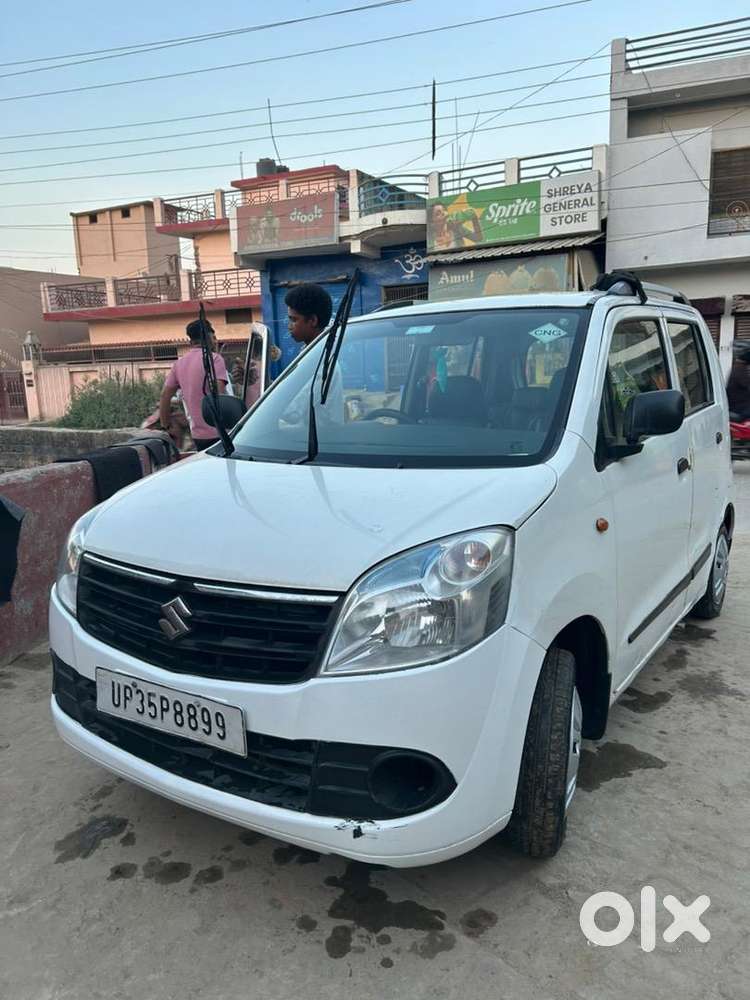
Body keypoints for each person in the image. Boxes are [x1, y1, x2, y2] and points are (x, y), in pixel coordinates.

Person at [159, 318, 228, 451]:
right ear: (209, 337)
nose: (215, 341)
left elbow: (164, 396)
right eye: (213, 337)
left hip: (197, 436)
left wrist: (165, 425)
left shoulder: (179, 364)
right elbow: (219, 396)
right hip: (220, 433)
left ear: (191, 341)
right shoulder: (215, 359)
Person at [284, 283, 333, 347]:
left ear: (313, 320)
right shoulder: (309, 351)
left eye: (294, 320)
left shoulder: (328, 352)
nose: (289, 327)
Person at [727, 347, 750, 420]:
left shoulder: (738, 367)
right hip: (739, 408)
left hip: (738, 406)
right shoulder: (740, 369)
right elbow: (746, 384)